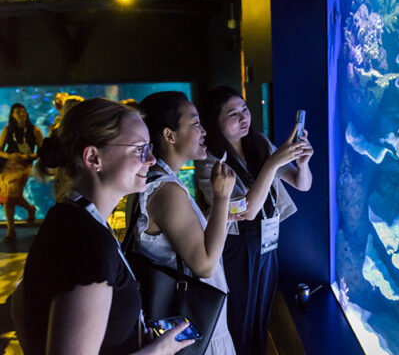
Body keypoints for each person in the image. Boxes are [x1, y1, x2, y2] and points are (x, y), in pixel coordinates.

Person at [18, 98, 193, 355]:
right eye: (139, 149)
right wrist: (158, 350)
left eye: (150, 148)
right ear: (93, 158)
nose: (152, 159)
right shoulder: (86, 241)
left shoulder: (71, 219)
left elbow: (18, 307)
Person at [196, 85, 313, 355]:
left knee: (262, 315)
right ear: (216, 121)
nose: (243, 117)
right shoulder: (210, 161)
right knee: (240, 317)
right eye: (233, 114)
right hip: (237, 245)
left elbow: (301, 183)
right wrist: (272, 164)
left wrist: (303, 161)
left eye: (245, 110)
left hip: (268, 239)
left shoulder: (259, 143)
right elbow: (245, 211)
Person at [132, 91, 238, 354]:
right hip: (195, 331)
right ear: (169, 135)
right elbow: (204, 265)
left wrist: (219, 218)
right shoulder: (165, 189)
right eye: (195, 123)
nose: (203, 131)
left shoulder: (157, 181)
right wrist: (222, 196)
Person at [0, 103, 43, 241]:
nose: (21, 114)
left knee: (10, 196)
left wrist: (28, 157)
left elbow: (42, 151)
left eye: (23, 111)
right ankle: (30, 208)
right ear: (12, 115)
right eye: (18, 112)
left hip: (24, 165)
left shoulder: (34, 130)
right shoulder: (7, 130)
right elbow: (0, 150)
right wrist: (9, 156)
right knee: (8, 196)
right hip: (8, 165)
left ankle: (11, 230)